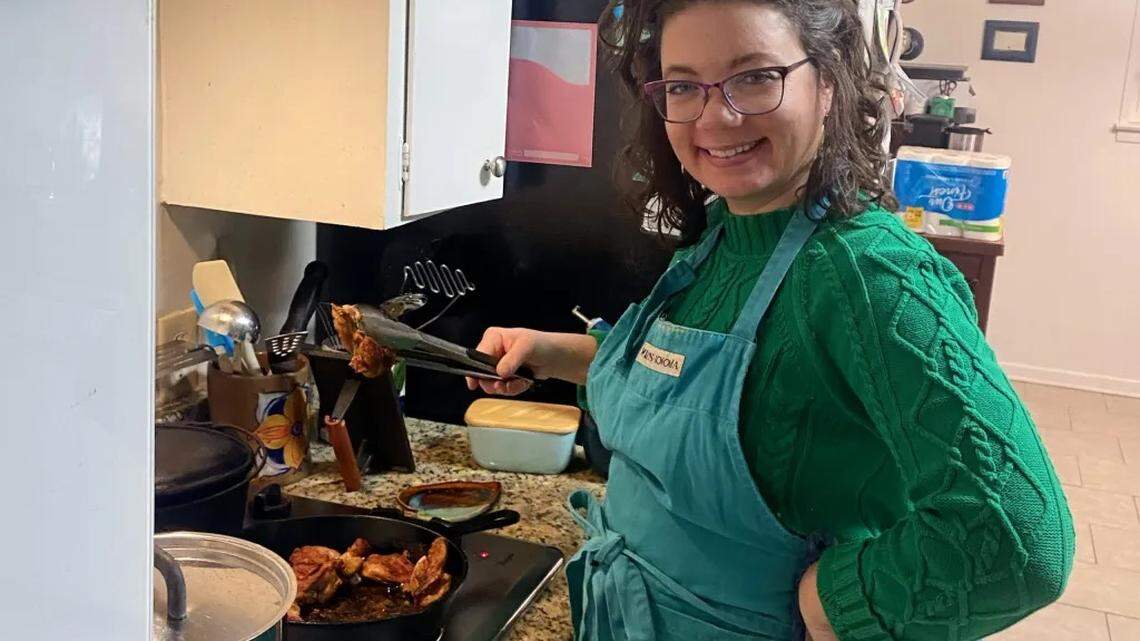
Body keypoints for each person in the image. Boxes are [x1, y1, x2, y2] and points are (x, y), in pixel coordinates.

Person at [468, 1, 1074, 639]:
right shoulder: (726, 235)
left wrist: (837, 602)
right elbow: (711, 387)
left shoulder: (869, 274)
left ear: (828, 82)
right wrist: (550, 353)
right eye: (683, 86)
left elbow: (1021, 542)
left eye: (755, 77)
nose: (716, 116)